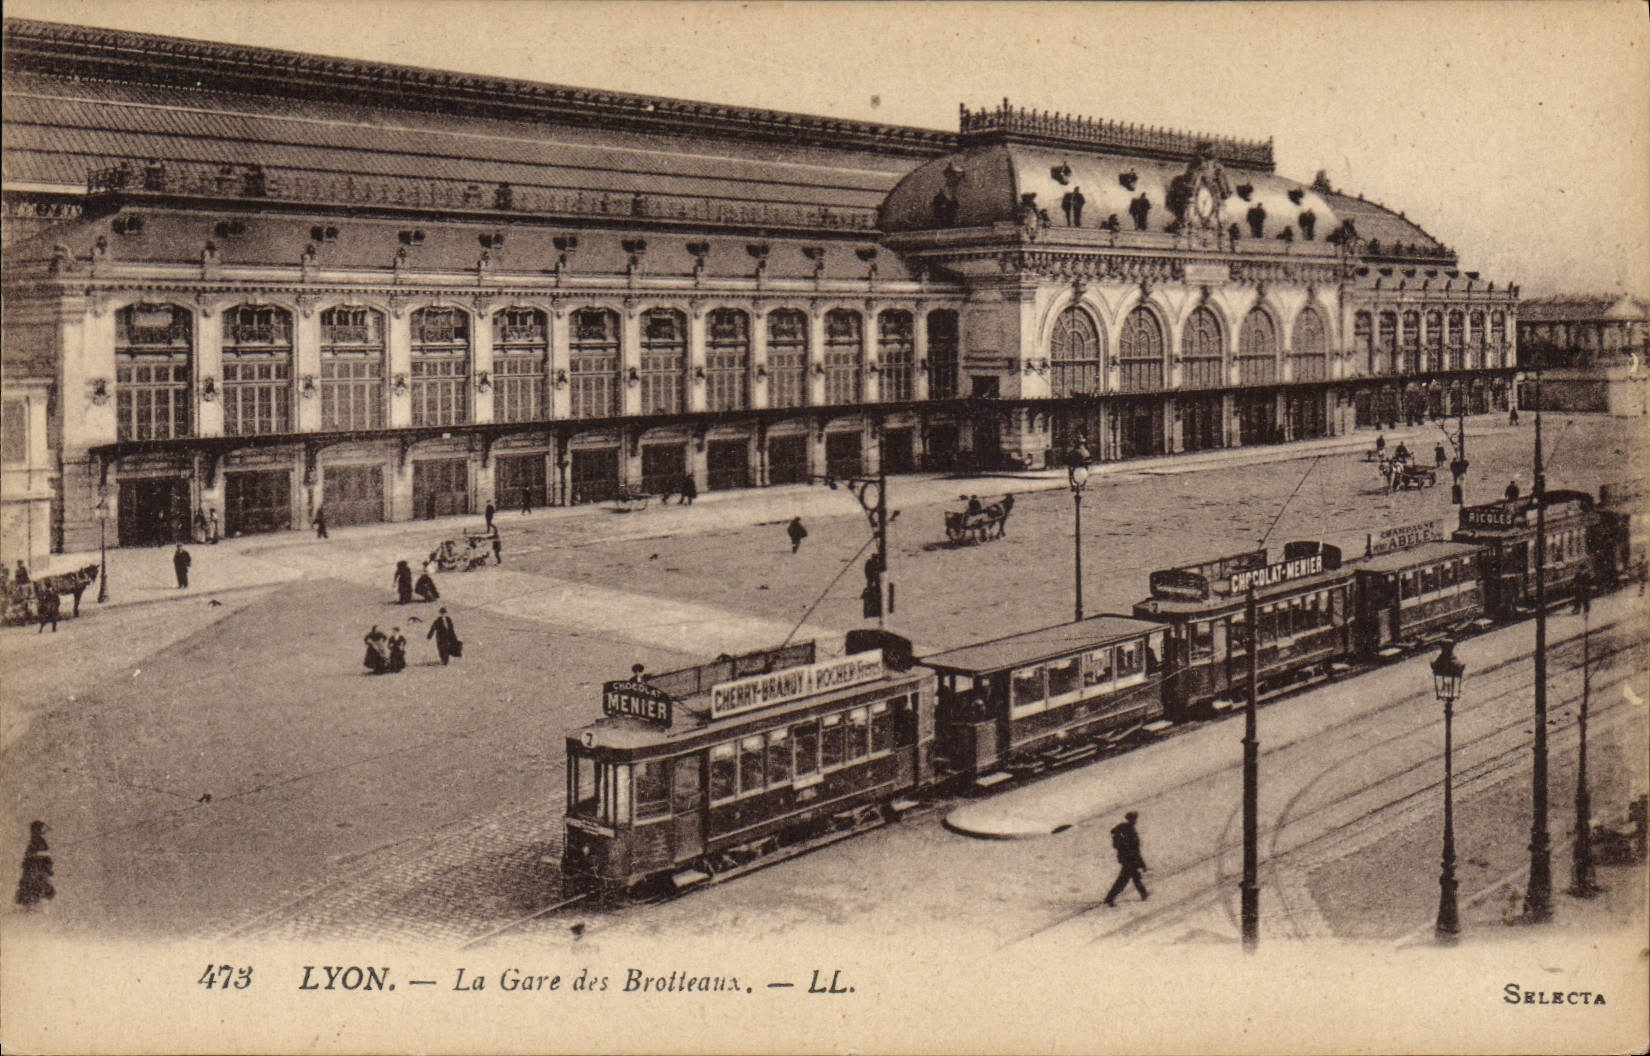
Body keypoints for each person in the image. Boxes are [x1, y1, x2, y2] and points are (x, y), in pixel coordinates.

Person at [1103, 811, 1149, 906]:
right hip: (1129, 859)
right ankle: (1109, 898)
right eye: (1134, 819)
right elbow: (1134, 849)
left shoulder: (1124, 829)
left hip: (1126, 858)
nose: (1135, 821)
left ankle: (1144, 894)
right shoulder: (1129, 831)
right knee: (1124, 880)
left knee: (1134, 877)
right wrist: (1141, 863)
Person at [14, 821, 54, 909]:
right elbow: (44, 857)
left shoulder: (33, 841)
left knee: (31, 887)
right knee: (38, 887)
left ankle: (31, 905)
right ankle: (35, 906)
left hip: (33, 870)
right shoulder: (38, 841)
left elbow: (29, 857)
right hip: (37, 870)